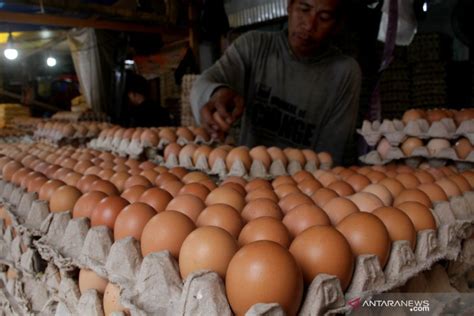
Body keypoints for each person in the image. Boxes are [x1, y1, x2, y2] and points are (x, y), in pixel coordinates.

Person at [190, 0, 361, 165]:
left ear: (336, 25)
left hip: (305, 187)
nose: (309, 25)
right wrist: (216, 92)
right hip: (247, 181)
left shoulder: (344, 73)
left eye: (324, 18)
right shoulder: (255, 47)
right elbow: (204, 82)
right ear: (289, 5)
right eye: (304, 9)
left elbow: (332, 155)